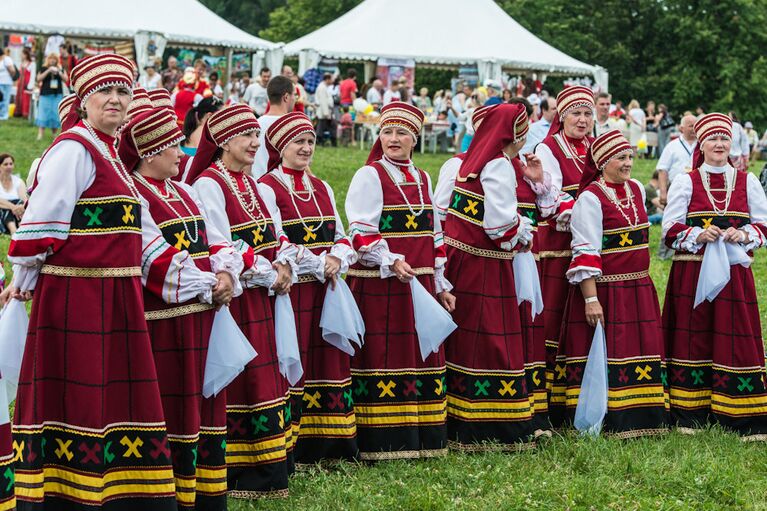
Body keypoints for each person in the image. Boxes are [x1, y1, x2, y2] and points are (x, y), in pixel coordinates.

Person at [7, 52, 178, 509]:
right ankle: (64, 493)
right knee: (77, 398)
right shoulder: (73, 150)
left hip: (118, 296)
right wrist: (22, 281)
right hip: (76, 295)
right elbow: (42, 225)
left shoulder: (113, 155)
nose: (116, 99)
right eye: (105, 90)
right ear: (83, 100)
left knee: (114, 397)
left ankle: (119, 490)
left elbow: (142, 234)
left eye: (124, 90)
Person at [118, 107, 241, 510]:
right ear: (150, 152)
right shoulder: (136, 194)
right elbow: (154, 258)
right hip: (164, 325)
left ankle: (204, 495)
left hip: (203, 319)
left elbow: (216, 241)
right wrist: (211, 283)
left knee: (203, 406)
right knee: (172, 407)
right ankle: (169, 495)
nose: (180, 153)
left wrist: (225, 273)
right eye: (172, 145)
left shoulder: (184, 191)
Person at [188, 104, 297, 498]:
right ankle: (237, 471)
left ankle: (270, 465)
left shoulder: (255, 185)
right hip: (238, 299)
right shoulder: (208, 185)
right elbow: (218, 242)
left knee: (266, 380)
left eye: (256, 135)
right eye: (247, 136)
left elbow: (276, 233)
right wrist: (268, 271)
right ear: (223, 140)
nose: (256, 143)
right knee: (243, 379)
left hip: (265, 298)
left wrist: (284, 262)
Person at [345, 102, 454, 460]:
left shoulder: (423, 178)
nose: (394, 139)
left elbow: (435, 237)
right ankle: (384, 440)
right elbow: (360, 230)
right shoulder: (370, 176)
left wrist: (441, 285)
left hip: (419, 286)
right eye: (388, 131)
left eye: (402, 133)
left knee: (421, 357)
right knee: (384, 358)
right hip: (381, 285)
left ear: (415, 140)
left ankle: (423, 437)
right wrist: (389, 259)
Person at [259, 112, 359, 463]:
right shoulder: (266, 187)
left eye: (310, 142)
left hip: (324, 291)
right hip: (292, 292)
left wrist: (338, 257)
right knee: (294, 361)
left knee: (326, 361)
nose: (305, 148)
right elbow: (277, 241)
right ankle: (291, 447)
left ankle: (330, 445)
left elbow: (342, 235)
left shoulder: (323, 187)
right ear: (280, 146)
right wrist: (320, 263)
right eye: (297, 142)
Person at [662, 113, 767, 439]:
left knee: (733, 332)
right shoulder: (686, 180)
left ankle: (738, 409)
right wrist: (697, 235)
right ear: (702, 144)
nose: (719, 144)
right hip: (692, 274)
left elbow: (764, 226)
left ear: (731, 143)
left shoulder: (747, 181)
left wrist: (744, 234)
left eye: (724, 139)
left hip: (734, 275)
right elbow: (669, 229)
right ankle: (688, 411)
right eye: (713, 139)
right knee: (693, 334)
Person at [443, 102, 541, 449]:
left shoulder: (469, 163)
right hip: (486, 266)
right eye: (523, 127)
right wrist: (526, 231)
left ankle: (455, 418)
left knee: (464, 337)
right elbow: (500, 226)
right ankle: (492, 424)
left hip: (459, 260)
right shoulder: (498, 165)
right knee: (491, 339)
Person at [560, 129, 669, 438]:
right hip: (608, 290)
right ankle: (610, 417)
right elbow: (585, 251)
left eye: (630, 157)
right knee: (610, 353)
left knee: (641, 350)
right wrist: (591, 299)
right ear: (603, 161)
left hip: (639, 288)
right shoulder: (590, 199)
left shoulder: (636, 188)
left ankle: (645, 416)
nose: (628, 163)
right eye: (621, 157)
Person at [534, 85, 595, 416]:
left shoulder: (594, 147)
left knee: (584, 318)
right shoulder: (548, 149)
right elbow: (549, 199)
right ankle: (550, 401)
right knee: (555, 315)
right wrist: (586, 215)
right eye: (576, 113)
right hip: (559, 248)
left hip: (592, 247)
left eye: (588, 113)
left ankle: (582, 391)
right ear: (561, 116)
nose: (582, 120)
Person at [252, 76, 296, 178]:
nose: (295, 99)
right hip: (281, 185)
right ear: (286, 97)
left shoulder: (255, 124)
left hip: (256, 183)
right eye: (294, 94)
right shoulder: (292, 126)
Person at [34, 53, 67, 139]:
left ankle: (54, 134)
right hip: (45, 94)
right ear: (48, 59)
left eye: (54, 59)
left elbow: (66, 79)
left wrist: (59, 71)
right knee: (43, 113)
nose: (52, 60)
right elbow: (38, 79)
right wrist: (48, 70)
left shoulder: (60, 68)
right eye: (51, 58)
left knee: (55, 114)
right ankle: (40, 134)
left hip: (57, 95)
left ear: (57, 60)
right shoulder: (43, 68)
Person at [0, 154, 27, 234]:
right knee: (4, 209)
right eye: (6, 164)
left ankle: (18, 227)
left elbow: (24, 199)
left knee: (19, 202)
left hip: (18, 212)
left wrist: (19, 207)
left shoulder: (18, 181)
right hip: (3, 212)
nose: (9, 166)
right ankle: (14, 229)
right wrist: (12, 207)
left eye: (11, 164)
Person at [314, 73, 337, 147]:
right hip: (324, 112)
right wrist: (326, 113)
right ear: (327, 79)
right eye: (331, 79)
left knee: (324, 127)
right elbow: (323, 101)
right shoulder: (322, 88)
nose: (333, 80)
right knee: (322, 127)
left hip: (326, 111)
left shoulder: (325, 87)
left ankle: (328, 142)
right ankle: (320, 141)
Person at [13, 48, 35, 118]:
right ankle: (18, 112)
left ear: (26, 55)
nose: (21, 55)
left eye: (22, 54)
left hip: (26, 83)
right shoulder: (22, 63)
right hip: (20, 83)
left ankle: (25, 113)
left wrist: (30, 85)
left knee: (25, 98)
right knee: (19, 97)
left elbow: (32, 75)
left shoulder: (32, 64)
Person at [0, 46, 18, 120]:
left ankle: (5, 115)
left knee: (5, 98)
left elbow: (13, 71)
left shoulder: (7, 59)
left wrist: (10, 77)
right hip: (1, 82)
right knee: (1, 99)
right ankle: (1, 113)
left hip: (6, 82)